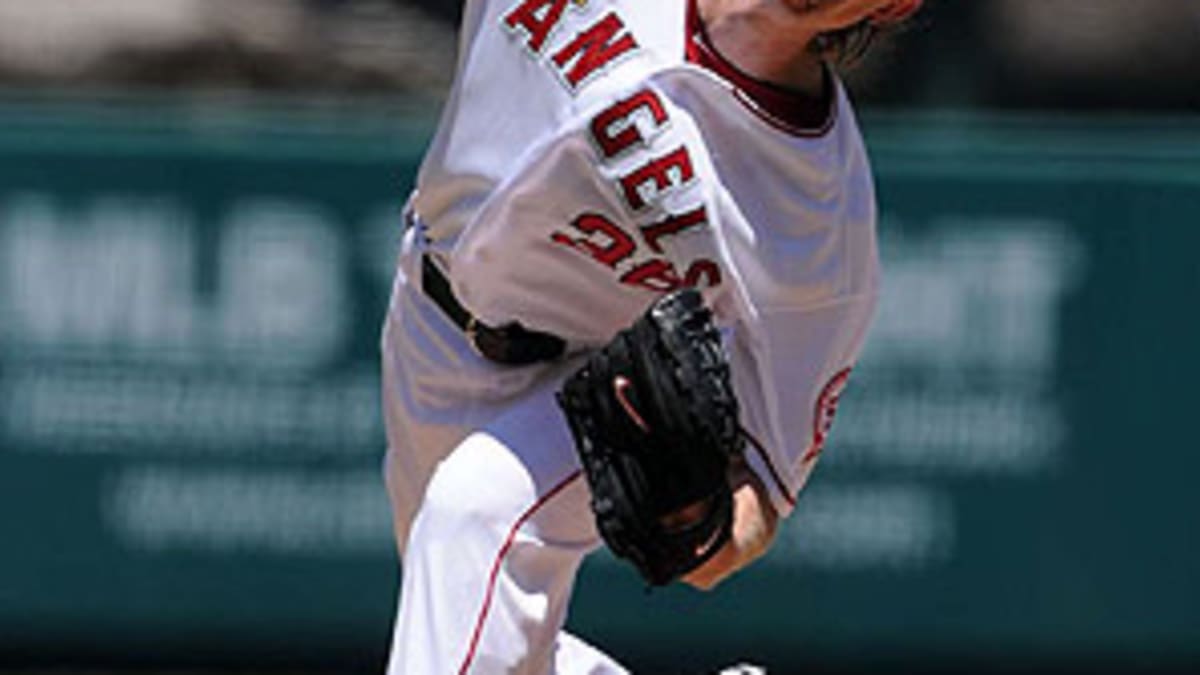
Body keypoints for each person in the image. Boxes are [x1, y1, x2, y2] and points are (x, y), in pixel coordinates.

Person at [380, 0, 923, 672]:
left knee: (474, 512)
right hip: (428, 314)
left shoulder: (820, 221)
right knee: (470, 615)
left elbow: (761, 492)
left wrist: (704, 522)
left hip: (585, 389)